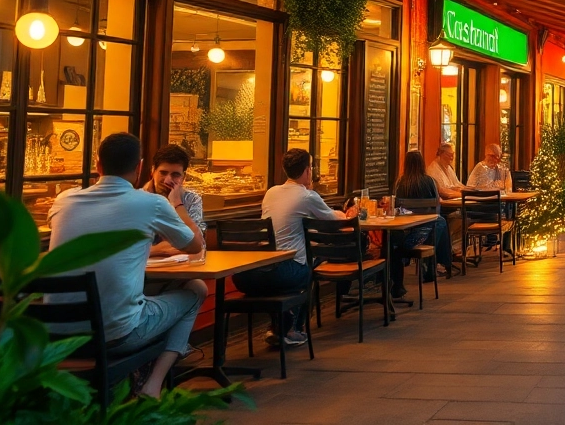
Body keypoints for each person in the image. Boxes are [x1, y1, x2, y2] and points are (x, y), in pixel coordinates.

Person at [47, 133, 206, 398]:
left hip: (57, 334)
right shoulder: (152, 203)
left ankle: (136, 380)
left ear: (98, 165)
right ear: (141, 168)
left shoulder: (64, 200)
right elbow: (195, 245)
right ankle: (152, 386)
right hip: (116, 335)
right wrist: (177, 204)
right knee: (196, 291)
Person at [233, 149, 355, 348]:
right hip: (282, 273)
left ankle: (279, 325)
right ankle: (291, 329)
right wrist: (347, 213)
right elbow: (335, 220)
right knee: (309, 267)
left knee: (301, 265)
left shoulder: (271, 192)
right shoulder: (306, 196)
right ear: (307, 170)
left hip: (248, 275)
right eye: (311, 167)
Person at [392, 150, 453, 291]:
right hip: (426, 229)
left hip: (406, 230)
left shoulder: (401, 182)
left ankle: (433, 264)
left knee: (440, 222)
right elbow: (437, 205)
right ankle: (440, 263)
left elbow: (396, 207)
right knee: (441, 222)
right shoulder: (429, 181)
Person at [144, 144, 204, 257]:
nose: (168, 180)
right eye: (163, 173)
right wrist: (160, 250)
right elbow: (128, 248)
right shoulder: (139, 198)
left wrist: (177, 203)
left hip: (182, 265)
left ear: (183, 177)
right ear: (153, 171)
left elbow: (197, 243)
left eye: (175, 175)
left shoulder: (192, 199)